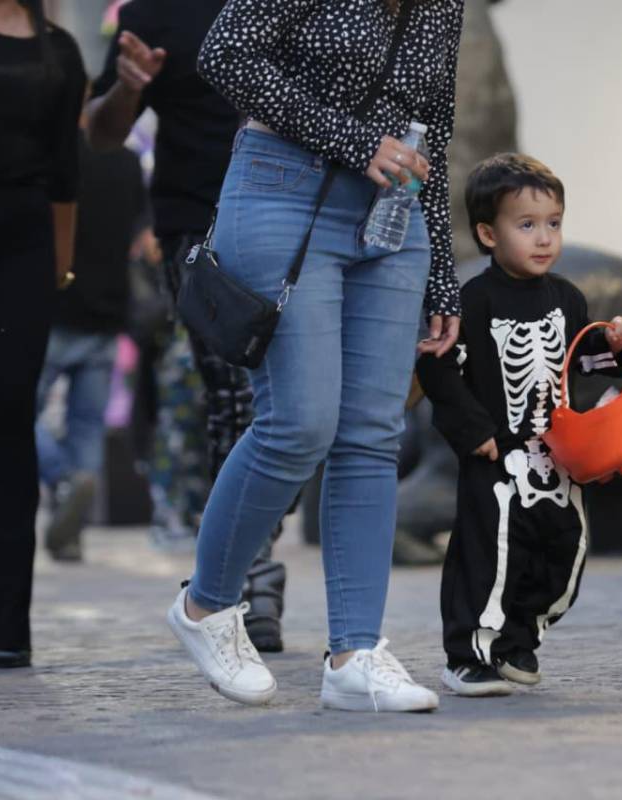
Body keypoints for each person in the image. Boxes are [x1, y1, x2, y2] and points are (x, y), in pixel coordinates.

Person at [164, 0, 464, 712]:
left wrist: (445, 272)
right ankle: (204, 608)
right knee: (299, 423)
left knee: (371, 434)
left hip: (395, 210)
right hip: (281, 187)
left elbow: (437, 135)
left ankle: (355, 652)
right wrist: (356, 141)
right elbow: (225, 54)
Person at [87, 0, 288, 652]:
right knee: (232, 394)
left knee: (296, 405)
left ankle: (249, 556)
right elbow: (100, 131)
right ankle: (251, 576)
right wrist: (129, 86)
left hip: (293, 224)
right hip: (196, 231)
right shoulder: (154, 12)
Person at [417, 154, 622, 696]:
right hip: (496, 452)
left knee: (566, 550)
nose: (544, 239)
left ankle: (518, 637)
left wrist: (612, 345)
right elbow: (437, 368)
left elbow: (580, 360)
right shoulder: (473, 300)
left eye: (554, 224)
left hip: (559, 451)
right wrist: (475, 433)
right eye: (527, 225)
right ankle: (467, 653)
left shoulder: (566, 298)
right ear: (489, 234)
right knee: (487, 553)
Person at [0, 0, 86, 668]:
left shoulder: (59, 50)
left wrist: (58, 274)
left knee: (7, 419)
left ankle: (4, 627)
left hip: (19, 243)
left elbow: (66, 172)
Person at [35, 112, 148, 562]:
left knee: (10, 408)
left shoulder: (54, 157)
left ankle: (63, 478)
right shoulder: (126, 162)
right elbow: (139, 239)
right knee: (87, 426)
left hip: (54, 308)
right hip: (108, 313)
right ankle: (71, 531)